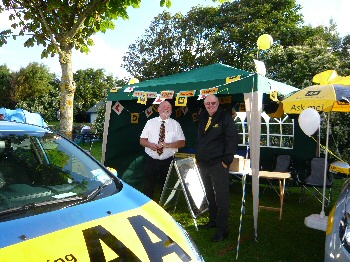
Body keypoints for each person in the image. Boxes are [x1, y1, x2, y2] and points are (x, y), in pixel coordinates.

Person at [196, 94, 238, 242]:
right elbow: (201, 139)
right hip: (204, 164)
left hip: (218, 164)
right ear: (205, 104)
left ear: (218, 103)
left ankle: (222, 230)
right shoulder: (202, 117)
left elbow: (232, 139)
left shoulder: (225, 117)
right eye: (208, 103)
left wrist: (226, 161)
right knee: (210, 196)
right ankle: (213, 221)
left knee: (222, 198)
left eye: (213, 103)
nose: (211, 105)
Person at [140, 100, 185, 200]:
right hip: (151, 160)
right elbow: (142, 141)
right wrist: (150, 145)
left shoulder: (175, 124)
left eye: (168, 107)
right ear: (158, 109)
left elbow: (182, 143)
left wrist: (168, 145)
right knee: (148, 185)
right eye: (163, 106)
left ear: (171, 111)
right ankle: (147, 205)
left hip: (168, 160)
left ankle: (164, 206)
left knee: (166, 185)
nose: (166, 108)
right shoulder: (150, 122)